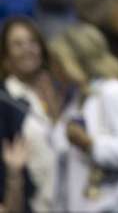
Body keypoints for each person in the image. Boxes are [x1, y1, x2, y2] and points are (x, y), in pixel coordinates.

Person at [48, 23, 118, 212]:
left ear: (74, 61)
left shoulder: (115, 92)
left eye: (58, 62)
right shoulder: (77, 101)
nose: (54, 70)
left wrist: (90, 145)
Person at [1, 17, 63, 212]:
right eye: (18, 44)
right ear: (5, 55)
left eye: (32, 41)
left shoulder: (60, 87)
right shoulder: (4, 101)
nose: (27, 49)